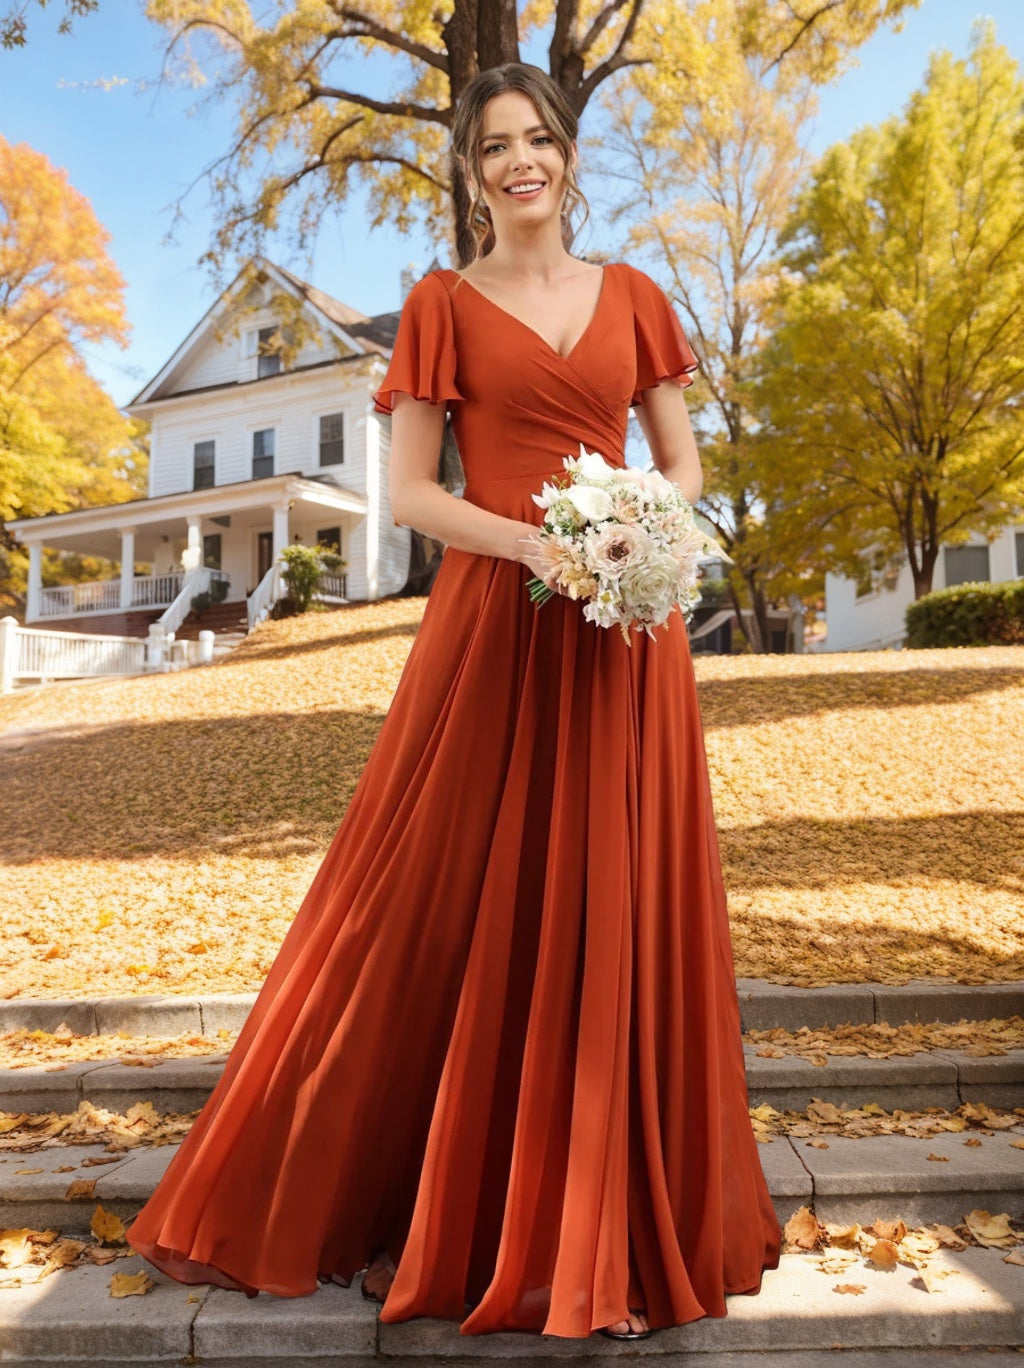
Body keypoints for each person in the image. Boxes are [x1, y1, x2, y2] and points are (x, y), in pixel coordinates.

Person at [125, 61, 781, 1341]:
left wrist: (633, 528)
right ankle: (451, 1204)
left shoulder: (635, 295)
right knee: (452, 883)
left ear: (568, 155)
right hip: (498, 623)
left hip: (624, 630)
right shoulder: (439, 304)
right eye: (494, 147)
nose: (519, 161)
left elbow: (683, 460)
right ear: (472, 172)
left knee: (615, 884)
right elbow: (418, 493)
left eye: (538, 139)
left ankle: (603, 1217)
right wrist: (540, 542)